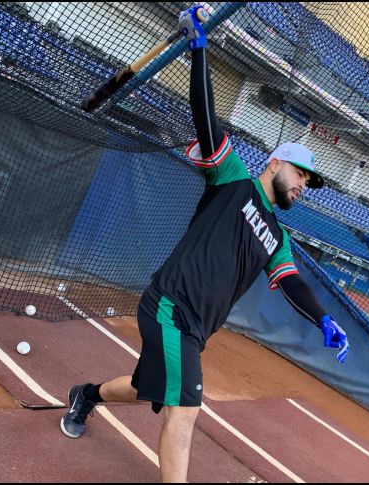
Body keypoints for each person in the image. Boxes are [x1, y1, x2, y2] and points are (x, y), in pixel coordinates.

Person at [59, 6, 350, 483]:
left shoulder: (277, 236)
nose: (302, 186)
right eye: (301, 174)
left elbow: (291, 281)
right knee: (186, 409)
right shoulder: (234, 180)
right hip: (171, 306)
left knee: (146, 388)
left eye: (308, 183)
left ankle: (86, 394)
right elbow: (207, 122)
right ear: (276, 163)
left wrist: (323, 318)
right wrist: (199, 52)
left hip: (196, 327)